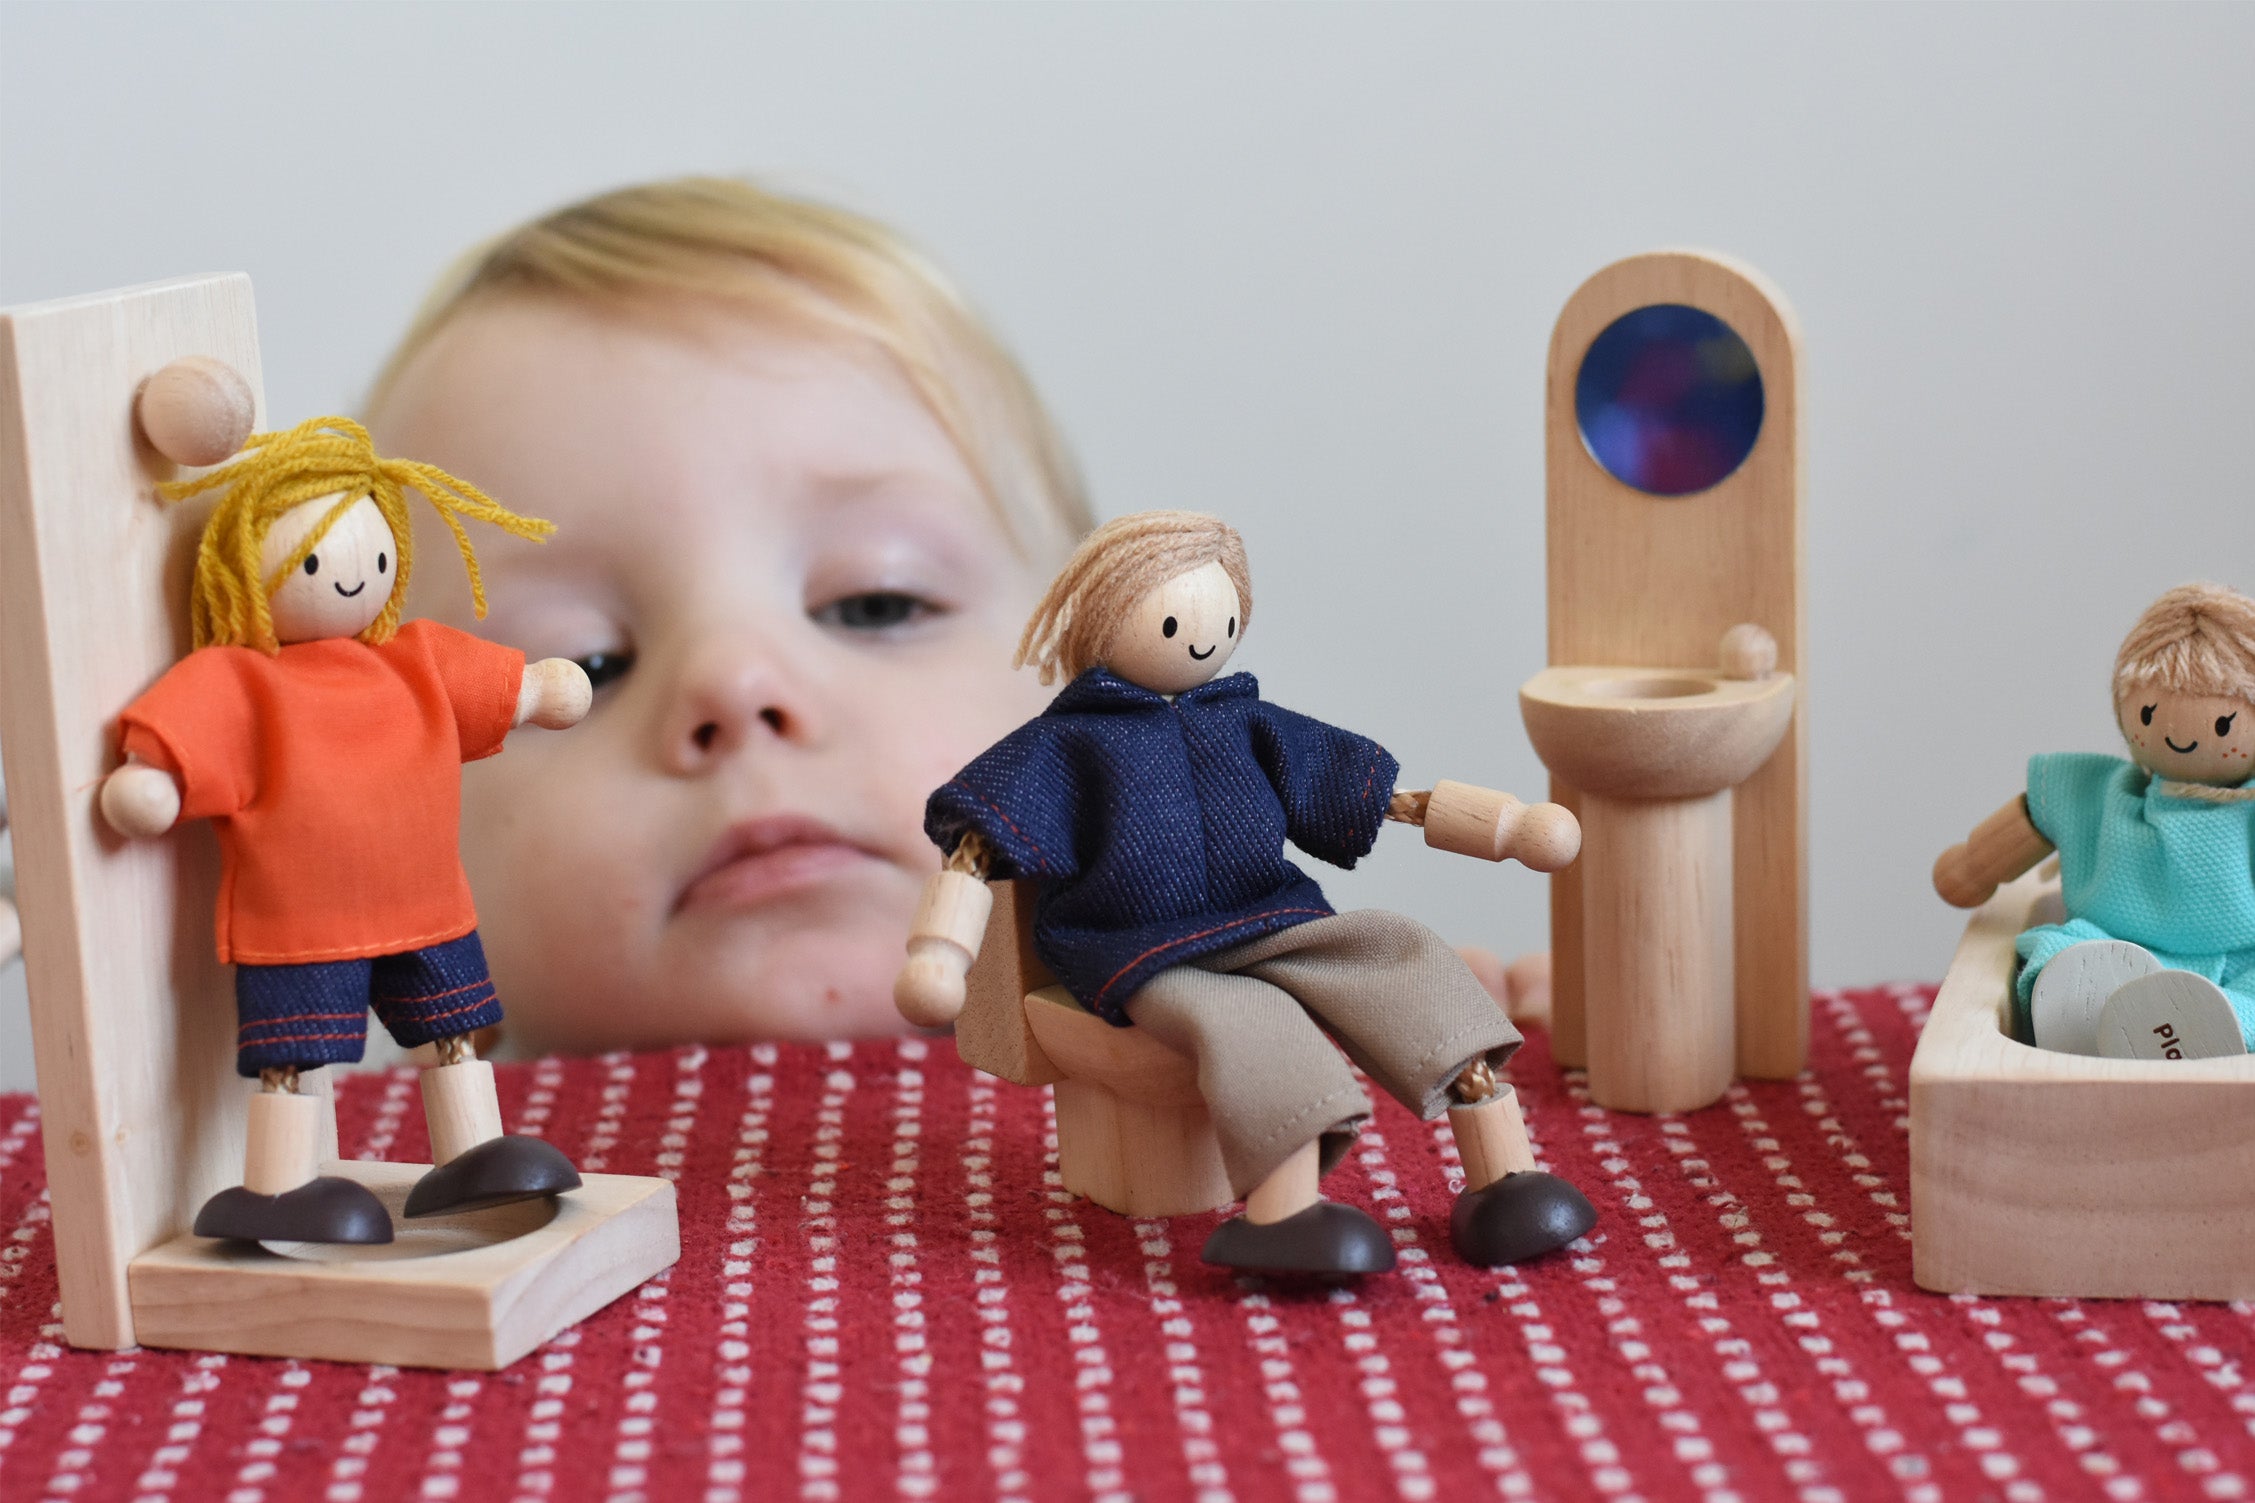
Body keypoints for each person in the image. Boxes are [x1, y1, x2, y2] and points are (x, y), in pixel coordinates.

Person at [366, 177, 1092, 1054]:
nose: (735, 682)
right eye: (584, 666)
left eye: (875, 603)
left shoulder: (1251, 1113)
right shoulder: (349, 1173)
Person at [896, 511, 1596, 1277]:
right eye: (1172, 619)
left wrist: (1506, 826)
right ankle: (1284, 1212)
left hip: (1270, 918)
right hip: (1142, 950)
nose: (1201, 636)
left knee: (1397, 950)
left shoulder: (1245, 722)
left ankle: (1504, 1173)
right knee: (1250, 1021)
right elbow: (972, 849)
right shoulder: (1067, 745)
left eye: (1222, 616)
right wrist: (941, 951)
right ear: (1105, 619)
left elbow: (1388, 796)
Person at [103, 417, 591, 1242]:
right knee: (290, 1057)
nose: (349, 579)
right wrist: (154, 778)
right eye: (318, 562)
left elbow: (504, 687)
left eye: (371, 556)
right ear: (246, 573)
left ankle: (470, 1150)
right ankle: (279, 1184)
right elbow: (174, 753)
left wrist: (538, 688)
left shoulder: (411, 660)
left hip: (429, 907)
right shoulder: (245, 682)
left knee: (453, 1029)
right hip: (301, 925)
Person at [1934, 581, 2255, 1060]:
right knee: (2062, 951)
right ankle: (2090, 1013)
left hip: (2241, 963)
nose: (2180, 738)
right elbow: (2019, 830)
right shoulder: (2094, 790)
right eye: (2148, 712)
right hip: (2113, 948)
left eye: (2222, 726)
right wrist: (1974, 868)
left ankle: (2216, 1025)